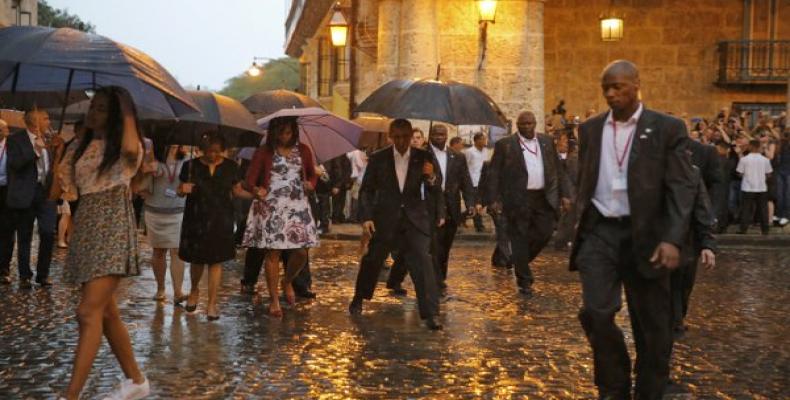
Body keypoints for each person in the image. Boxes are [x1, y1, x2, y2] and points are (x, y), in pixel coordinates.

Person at [570, 60, 696, 399]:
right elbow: (586, 177)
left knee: (653, 329)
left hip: (648, 236)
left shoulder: (667, 128)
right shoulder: (591, 129)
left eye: (618, 87)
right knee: (595, 312)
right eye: (606, 88)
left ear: (636, 84)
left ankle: (649, 391)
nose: (611, 94)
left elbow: (683, 187)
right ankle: (614, 386)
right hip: (601, 233)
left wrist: (672, 238)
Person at [57, 87, 149, 400]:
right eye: (92, 107)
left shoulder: (125, 146)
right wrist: (59, 152)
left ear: (117, 116)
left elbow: (132, 152)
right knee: (106, 313)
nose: (93, 113)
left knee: (87, 311)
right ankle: (136, 380)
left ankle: (71, 395)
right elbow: (62, 190)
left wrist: (125, 108)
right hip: (86, 226)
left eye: (101, 109)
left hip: (112, 226)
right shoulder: (81, 144)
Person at [349, 118, 444, 331]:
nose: (401, 141)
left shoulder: (424, 157)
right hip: (386, 218)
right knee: (373, 260)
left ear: (411, 136)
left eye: (405, 137)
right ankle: (359, 296)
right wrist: (367, 217)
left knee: (423, 262)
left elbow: (435, 188)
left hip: (414, 219)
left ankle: (431, 313)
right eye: (397, 137)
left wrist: (430, 178)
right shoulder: (379, 158)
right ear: (391, 137)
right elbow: (367, 190)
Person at [487, 110, 571, 296]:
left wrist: (566, 194)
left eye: (530, 123)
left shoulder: (546, 142)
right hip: (517, 198)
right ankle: (524, 280)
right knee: (518, 237)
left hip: (543, 197)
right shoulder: (505, 145)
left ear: (535, 124)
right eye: (523, 124)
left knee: (545, 232)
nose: (527, 127)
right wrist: (493, 199)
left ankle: (519, 260)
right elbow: (494, 173)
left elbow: (557, 169)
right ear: (517, 125)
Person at [242, 116, 319, 318]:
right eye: (280, 132)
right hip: (271, 205)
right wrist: (257, 189)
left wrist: (311, 184)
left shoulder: (303, 150)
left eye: (288, 132)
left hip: (297, 204)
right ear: (273, 132)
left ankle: (287, 281)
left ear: (294, 131)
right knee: (272, 254)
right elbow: (249, 181)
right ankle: (274, 299)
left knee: (302, 251)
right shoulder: (263, 152)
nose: (284, 136)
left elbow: (312, 175)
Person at [178, 131, 252, 320]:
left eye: (217, 152)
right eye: (209, 151)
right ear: (202, 150)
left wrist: (255, 196)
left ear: (223, 151)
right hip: (196, 217)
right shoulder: (190, 166)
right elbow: (180, 190)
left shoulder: (231, 167)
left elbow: (237, 191)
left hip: (221, 217)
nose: (212, 155)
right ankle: (194, 290)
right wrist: (182, 190)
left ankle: (212, 303)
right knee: (197, 260)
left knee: (216, 261)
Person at [6, 109, 60, 289]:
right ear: (34, 121)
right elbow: (14, 164)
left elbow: (54, 166)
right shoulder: (15, 139)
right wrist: (35, 151)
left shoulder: (50, 139)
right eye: (45, 118)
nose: (49, 121)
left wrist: (59, 149)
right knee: (24, 236)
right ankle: (25, 275)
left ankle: (43, 274)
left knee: (47, 232)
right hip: (25, 193)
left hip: (45, 193)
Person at [671, 168, 717, 339]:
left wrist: (708, 244)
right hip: (659, 241)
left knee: (683, 286)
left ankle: (677, 319)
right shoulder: (648, 169)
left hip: (687, 242)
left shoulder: (692, 173)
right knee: (670, 285)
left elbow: (702, 208)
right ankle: (674, 324)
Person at [144, 143, 187, 303]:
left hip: (177, 211)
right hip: (154, 211)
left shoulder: (186, 160)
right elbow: (140, 175)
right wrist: (147, 166)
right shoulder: (153, 159)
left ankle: (178, 291)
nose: (176, 144)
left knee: (177, 251)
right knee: (159, 252)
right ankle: (160, 288)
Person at [736, 139, 773, 234]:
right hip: (761, 187)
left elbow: (739, 173)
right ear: (759, 147)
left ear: (750, 147)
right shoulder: (765, 160)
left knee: (746, 209)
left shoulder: (744, 159)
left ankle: (743, 229)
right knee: (763, 209)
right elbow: (769, 174)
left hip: (747, 187)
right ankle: (765, 229)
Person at [464, 132, 491, 232]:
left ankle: (462, 216)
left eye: (485, 139)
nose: (484, 141)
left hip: (484, 181)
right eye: (482, 139)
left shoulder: (486, 151)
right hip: (474, 181)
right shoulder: (469, 151)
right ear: (476, 140)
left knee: (483, 202)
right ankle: (479, 225)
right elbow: (465, 166)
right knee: (476, 203)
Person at [0, 119, 13, 284]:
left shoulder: (12, 146)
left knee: (7, 230)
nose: (2, 131)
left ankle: (4, 267)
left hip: (7, 190)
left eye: (3, 128)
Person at [327, 153, 353, 224]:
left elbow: (345, 170)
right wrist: (337, 185)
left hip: (341, 183)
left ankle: (338, 216)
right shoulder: (340, 157)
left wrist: (339, 184)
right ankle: (336, 217)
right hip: (340, 183)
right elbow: (338, 171)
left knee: (340, 201)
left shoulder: (342, 157)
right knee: (338, 201)